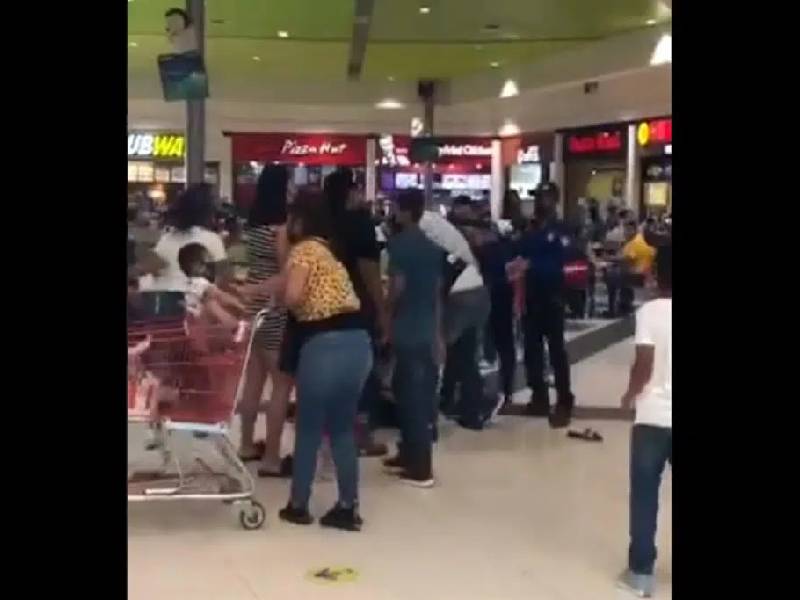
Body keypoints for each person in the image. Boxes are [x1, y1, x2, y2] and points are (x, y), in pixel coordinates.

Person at [261, 189, 373, 531]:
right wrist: (250, 292)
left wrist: (278, 303)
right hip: (358, 343)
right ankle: (347, 507)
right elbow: (285, 282)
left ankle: (298, 504)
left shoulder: (302, 250)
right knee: (341, 428)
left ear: (297, 220)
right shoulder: (326, 251)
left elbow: (292, 293)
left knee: (308, 428)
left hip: (323, 345)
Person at [617, 246, 672, 598]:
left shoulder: (650, 312)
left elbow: (644, 363)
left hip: (652, 416)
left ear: (656, 274)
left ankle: (640, 574)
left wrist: (629, 395)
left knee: (645, 495)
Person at [325, 168, 390, 457]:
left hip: (322, 306)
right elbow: (369, 271)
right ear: (351, 192)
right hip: (355, 306)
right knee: (364, 373)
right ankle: (361, 434)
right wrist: (383, 310)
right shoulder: (360, 224)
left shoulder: (320, 222)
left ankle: (330, 428)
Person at [237, 165, 295, 477]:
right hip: (274, 307)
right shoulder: (279, 228)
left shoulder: (252, 225)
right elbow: (286, 273)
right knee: (281, 384)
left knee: (253, 379)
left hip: (252, 306)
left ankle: (246, 445)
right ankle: (272, 457)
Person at [382, 190, 443, 488]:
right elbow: (436, 293)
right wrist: (439, 333)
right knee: (411, 391)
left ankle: (421, 467)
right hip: (426, 325)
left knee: (410, 396)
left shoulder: (399, 245)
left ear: (404, 211)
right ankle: (408, 453)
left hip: (406, 327)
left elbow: (398, 288)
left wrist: (386, 316)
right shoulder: (432, 246)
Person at [419, 207, 492, 430]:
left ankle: (428, 411)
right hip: (478, 289)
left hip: (459, 295)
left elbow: (436, 286)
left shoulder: (422, 230)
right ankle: (472, 409)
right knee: (465, 355)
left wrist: (438, 332)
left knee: (435, 352)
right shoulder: (438, 226)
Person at [511, 182, 576, 428]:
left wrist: (532, 265)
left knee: (557, 351)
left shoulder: (562, 230)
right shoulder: (530, 229)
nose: (540, 202)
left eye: (544, 198)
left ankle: (564, 400)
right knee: (532, 349)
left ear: (554, 200)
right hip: (531, 296)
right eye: (537, 197)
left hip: (553, 296)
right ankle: (539, 395)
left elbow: (563, 262)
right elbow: (518, 253)